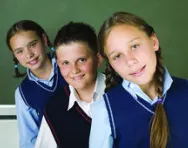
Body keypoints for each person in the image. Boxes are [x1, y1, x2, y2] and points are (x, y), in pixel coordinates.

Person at [89, 11, 188, 148]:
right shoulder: (104, 110)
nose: (130, 61)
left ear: (154, 42)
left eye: (134, 46)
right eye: (117, 56)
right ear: (111, 64)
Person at [34, 22, 105, 148]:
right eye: (65, 63)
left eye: (81, 60)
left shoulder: (122, 94)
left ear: (98, 59)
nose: (74, 70)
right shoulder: (54, 108)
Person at [6, 20, 67, 148]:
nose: (29, 55)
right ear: (15, 56)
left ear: (44, 39)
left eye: (32, 45)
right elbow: (28, 140)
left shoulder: (69, 66)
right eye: (19, 51)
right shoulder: (23, 93)